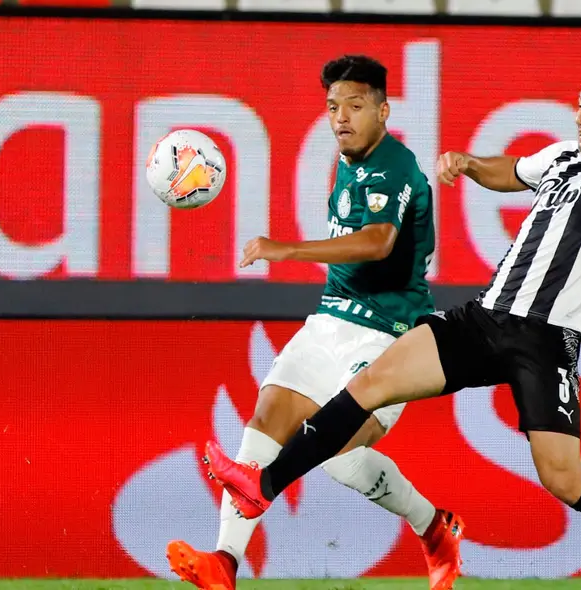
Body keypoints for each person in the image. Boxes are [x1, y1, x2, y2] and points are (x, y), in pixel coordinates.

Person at [203, 3, 581, 588]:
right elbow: (509, 171)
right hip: (483, 319)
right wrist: (468, 162)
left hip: (545, 339)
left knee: (563, 479)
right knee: (369, 383)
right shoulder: (562, 157)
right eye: (580, 102)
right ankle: (264, 486)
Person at [168, 55, 464, 590]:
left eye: (355, 105)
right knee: (266, 418)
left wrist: (285, 249)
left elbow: (379, 242)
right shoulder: (348, 161)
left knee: (340, 455)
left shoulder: (395, 164)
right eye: (333, 107)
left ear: (383, 109)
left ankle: (434, 528)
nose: (341, 117)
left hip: (389, 336)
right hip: (330, 318)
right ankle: (224, 563)